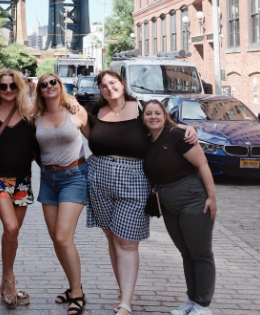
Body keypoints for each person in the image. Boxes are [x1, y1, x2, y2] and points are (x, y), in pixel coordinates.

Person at [86, 70, 197, 315]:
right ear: (100, 91)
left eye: (112, 83)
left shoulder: (140, 108)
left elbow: (164, 125)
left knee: (126, 242)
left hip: (135, 180)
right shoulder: (95, 113)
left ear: (122, 84)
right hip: (99, 179)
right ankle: (123, 291)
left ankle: (126, 302)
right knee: (113, 240)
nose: (109, 88)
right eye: (103, 86)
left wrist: (187, 129)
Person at [141, 100, 217, 315]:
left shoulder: (175, 136)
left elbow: (202, 164)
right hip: (167, 201)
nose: (153, 116)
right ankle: (192, 300)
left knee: (200, 253)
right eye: (148, 113)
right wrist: (186, 126)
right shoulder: (147, 140)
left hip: (191, 197)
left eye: (158, 112)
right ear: (143, 118)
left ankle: (203, 305)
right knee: (186, 252)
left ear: (165, 115)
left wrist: (211, 197)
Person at [0, 69, 39, 309]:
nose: (9, 90)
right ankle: (10, 280)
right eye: (3, 86)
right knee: (10, 226)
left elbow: (56, 112)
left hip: (23, 180)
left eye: (13, 86)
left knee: (12, 233)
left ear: (20, 87)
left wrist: (73, 104)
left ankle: (6, 280)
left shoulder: (29, 111)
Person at [32, 72, 91, 315]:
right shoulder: (35, 116)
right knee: (57, 239)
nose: (49, 86)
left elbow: (96, 140)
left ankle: (77, 294)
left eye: (53, 82)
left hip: (75, 177)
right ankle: (73, 286)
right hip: (48, 179)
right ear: (40, 91)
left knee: (63, 237)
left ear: (60, 84)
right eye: (43, 84)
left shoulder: (76, 111)